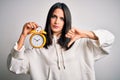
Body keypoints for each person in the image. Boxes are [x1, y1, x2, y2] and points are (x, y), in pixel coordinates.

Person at [7, 2, 115, 80]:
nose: (57, 21)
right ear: (49, 18)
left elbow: (109, 39)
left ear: (66, 21)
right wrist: (23, 35)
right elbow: (14, 66)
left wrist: (84, 34)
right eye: (54, 16)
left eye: (62, 18)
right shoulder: (37, 49)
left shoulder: (81, 43)